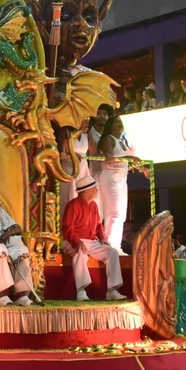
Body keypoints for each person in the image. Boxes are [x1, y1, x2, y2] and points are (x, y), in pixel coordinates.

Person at [60, 178, 124, 301]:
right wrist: (77, 242)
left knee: (112, 252)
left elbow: (99, 226)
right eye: (95, 188)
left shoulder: (94, 205)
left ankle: (112, 290)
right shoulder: (73, 205)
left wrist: (102, 239)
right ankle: (81, 291)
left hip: (91, 241)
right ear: (86, 191)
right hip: (73, 240)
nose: (97, 190)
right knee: (80, 253)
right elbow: (67, 229)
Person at [94, 113, 138, 254]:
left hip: (122, 178)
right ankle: (112, 246)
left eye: (121, 122)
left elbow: (125, 161)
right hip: (111, 177)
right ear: (110, 126)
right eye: (116, 122)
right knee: (115, 213)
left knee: (120, 215)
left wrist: (142, 168)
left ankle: (114, 245)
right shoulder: (108, 139)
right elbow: (109, 159)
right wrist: (129, 157)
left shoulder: (121, 141)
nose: (120, 124)